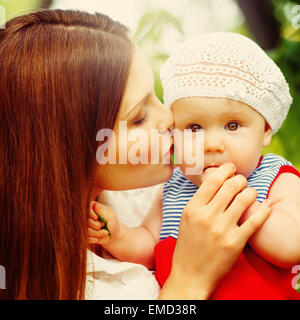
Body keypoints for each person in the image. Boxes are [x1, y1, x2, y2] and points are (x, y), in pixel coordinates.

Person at [0, 10, 270, 300]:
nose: (169, 118)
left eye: (157, 97)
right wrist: (189, 283)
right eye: (140, 117)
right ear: (68, 147)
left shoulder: (154, 192)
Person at [88, 32, 300, 299]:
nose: (211, 144)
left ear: (266, 130)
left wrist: (241, 205)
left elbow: (292, 246)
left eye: (232, 126)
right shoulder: (173, 186)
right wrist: (118, 235)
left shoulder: (275, 177)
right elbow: (150, 247)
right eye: (194, 128)